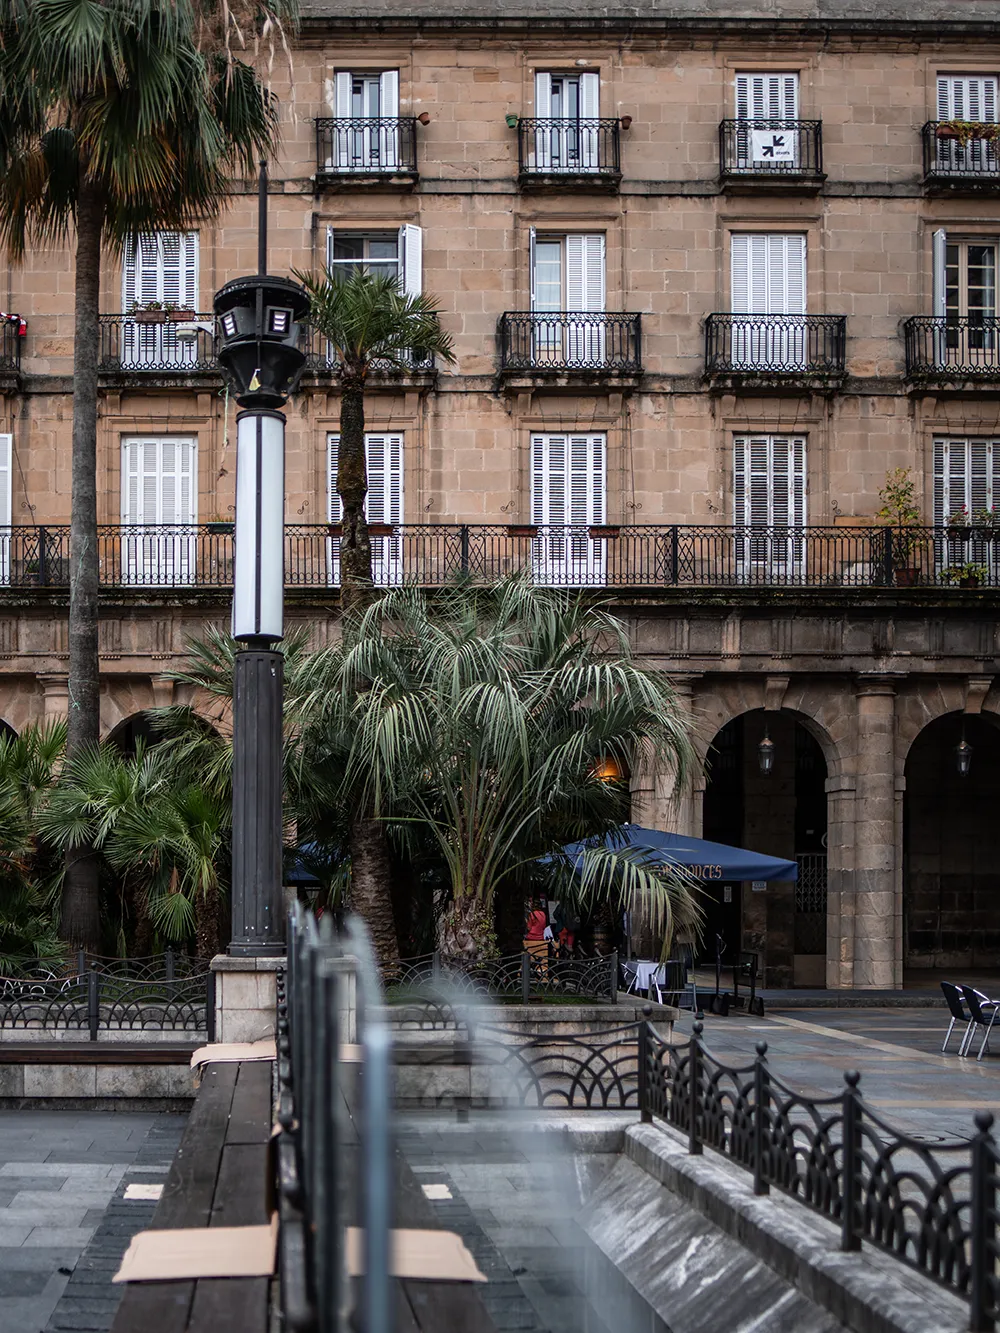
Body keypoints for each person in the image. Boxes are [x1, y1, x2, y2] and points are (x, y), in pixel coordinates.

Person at [523, 898, 550, 976]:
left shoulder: (532, 914)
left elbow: (529, 927)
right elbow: (544, 926)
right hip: (541, 937)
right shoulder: (543, 914)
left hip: (531, 937)